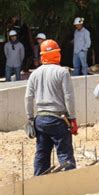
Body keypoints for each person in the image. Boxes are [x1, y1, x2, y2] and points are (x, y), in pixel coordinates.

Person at [25, 39, 78, 176]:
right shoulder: (62, 72)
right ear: (57, 55)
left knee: (41, 154)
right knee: (65, 154)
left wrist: (30, 119)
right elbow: (68, 97)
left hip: (40, 120)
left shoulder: (34, 74)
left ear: (43, 56)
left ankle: (38, 181)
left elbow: (28, 98)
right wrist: (72, 119)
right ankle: (69, 181)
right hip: (58, 119)